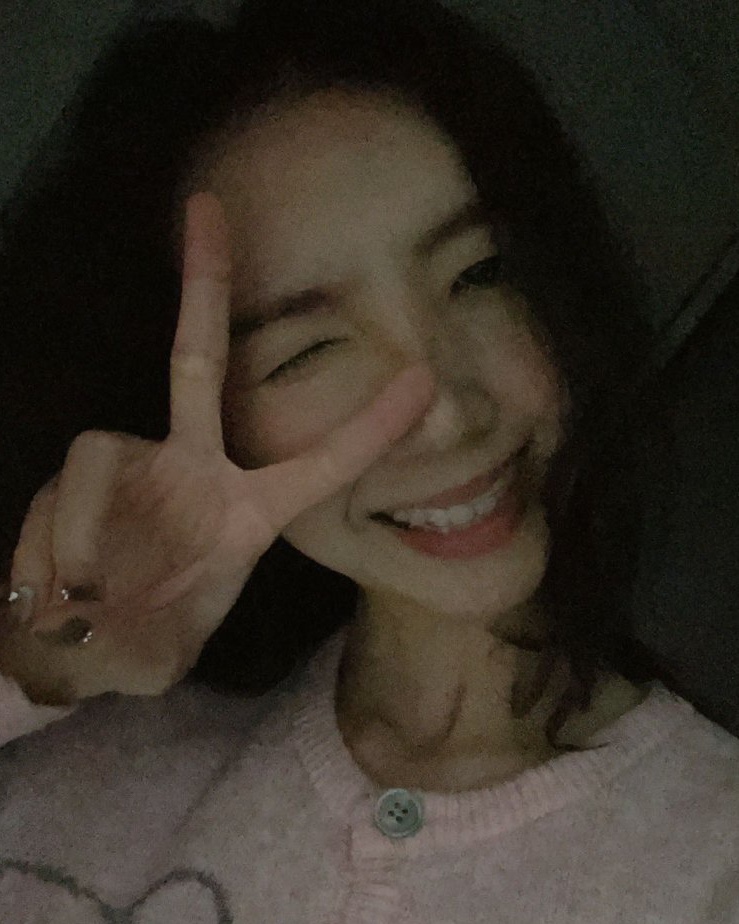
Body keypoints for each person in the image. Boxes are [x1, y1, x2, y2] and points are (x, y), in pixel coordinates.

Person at [0, 0, 737, 920]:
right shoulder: (82, 744)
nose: (446, 416)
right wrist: (32, 673)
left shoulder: (710, 856)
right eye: (308, 349)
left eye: (479, 275)